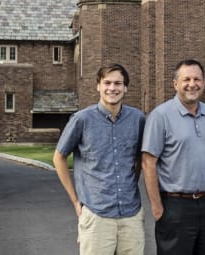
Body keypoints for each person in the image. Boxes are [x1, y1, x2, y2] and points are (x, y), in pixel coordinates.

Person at [53, 63, 145, 255]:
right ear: (98, 86)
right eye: (107, 83)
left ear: (126, 87)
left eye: (118, 83)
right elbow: (59, 157)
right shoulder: (82, 119)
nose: (113, 88)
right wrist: (76, 202)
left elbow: (139, 159)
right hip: (96, 215)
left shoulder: (137, 119)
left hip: (131, 215)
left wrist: (132, 183)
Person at [142, 59, 205, 255]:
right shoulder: (160, 116)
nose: (192, 84)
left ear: (203, 83)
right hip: (175, 205)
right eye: (186, 79)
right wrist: (157, 208)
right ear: (175, 83)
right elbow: (148, 162)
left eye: (197, 79)